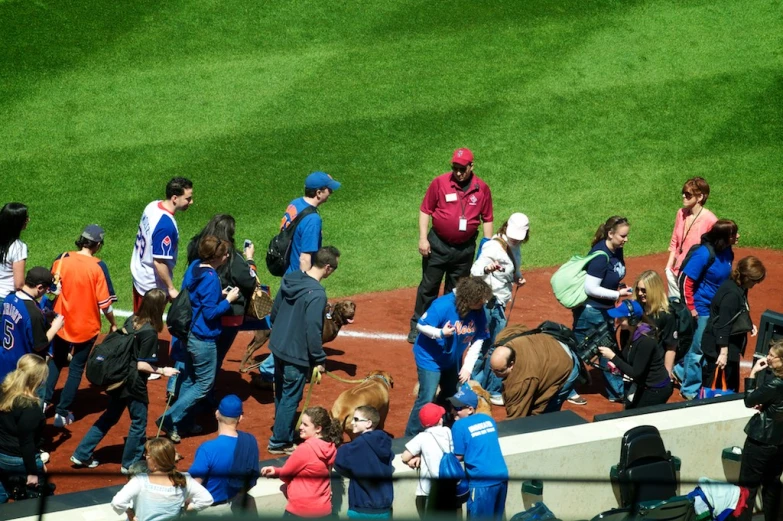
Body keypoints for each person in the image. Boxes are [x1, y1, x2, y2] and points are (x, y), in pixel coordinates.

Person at [70, 289, 179, 472]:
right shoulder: (150, 332)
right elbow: (142, 365)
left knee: (109, 416)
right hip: (133, 383)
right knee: (138, 422)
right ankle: (130, 465)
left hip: (118, 378)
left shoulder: (133, 319)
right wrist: (163, 370)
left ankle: (82, 453)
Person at [256, 172, 341, 386]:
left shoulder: (295, 204)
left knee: (286, 323)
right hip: (299, 279)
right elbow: (305, 257)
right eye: (328, 189)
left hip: (288, 277)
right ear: (319, 192)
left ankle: (269, 369)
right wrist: (310, 286)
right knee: (296, 326)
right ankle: (268, 370)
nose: (331, 193)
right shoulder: (312, 219)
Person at [156, 236, 241, 443]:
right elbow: (211, 313)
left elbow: (199, 299)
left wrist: (216, 295)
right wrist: (228, 300)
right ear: (215, 257)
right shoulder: (211, 277)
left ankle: (183, 424)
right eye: (224, 254)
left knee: (190, 378)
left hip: (190, 332)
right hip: (203, 337)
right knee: (204, 384)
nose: (227, 256)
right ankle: (170, 418)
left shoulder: (195, 266)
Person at [408, 148, 494, 344]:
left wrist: (487, 249)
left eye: (462, 168)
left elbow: (487, 219)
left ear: (472, 167)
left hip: (464, 250)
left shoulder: (482, 189)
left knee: (455, 290)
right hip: (437, 245)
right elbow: (425, 210)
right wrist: (423, 238)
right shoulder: (440, 183)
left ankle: (447, 326)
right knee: (428, 287)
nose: (458, 172)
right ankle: (418, 326)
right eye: (455, 168)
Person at [44, 224, 118, 428]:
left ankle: (43, 402)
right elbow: (105, 304)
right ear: (98, 244)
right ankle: (61, 413)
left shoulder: (62, 258)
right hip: (86, 327)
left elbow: (52, 289)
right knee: (76, 368)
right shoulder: (98, 266)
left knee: (57, 361)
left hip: (60, 323)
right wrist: (113, 323)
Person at [266, 246, 339, 455]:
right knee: (291, 396)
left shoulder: (292, 277)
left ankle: (284, 432)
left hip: (278, 347)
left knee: (281, 391)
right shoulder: (317, 294)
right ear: (327, 268)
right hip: (296, 354)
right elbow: (313, 330)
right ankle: (279, 441)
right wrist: (319, 359)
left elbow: (275, 310)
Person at [404, 276, 491, 437]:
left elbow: (479, 338)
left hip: (452, 358)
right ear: (468, 299)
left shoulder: (478, 311)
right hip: (430, 358)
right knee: (427, 396)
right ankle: (411, 435)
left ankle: (444, 422)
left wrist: (467, 367)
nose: (483, 303)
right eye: (480, 301)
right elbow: (421, 326)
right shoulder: (443, 305)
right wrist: (440, 333)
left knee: (453, 392)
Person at [569, 216, 633, 405]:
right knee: (580, 353)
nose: (626, 239)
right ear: (610, 233)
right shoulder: (599, 256)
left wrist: (617, 286)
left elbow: (611, 276)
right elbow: (591, 288)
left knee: (606, 350)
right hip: (590, 314)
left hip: (604, 312)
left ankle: (615, 391)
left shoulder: (617, 250)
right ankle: (565, 389)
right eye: (623, 235)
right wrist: (617, 294)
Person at [185, 214, 258, 380]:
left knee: (189, 357)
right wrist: (250, 259)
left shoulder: (197, 246)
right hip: (227, 314)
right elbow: (249, 280)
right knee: (213, 360)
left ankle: (176, 388)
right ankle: (203, 394)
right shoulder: (231, 256)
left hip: (196, 310)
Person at [673, 219, 738, 400]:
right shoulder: (704, 254)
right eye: (734, 234)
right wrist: (692, 308)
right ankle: (690, 389)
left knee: (702, 345)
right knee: (699, 349)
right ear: (724, 237)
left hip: (715, 308)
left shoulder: (727, 251)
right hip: (702, 308)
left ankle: (679, 371)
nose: (738, 236)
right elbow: (685, 280)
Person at [470, 213, 529, 405]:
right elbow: (475, 271)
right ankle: (481, 386)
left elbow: (512, 267)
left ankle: (483, 386)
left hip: (499, 303)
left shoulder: (515, 246)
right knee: (487, 345)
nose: (515, 239)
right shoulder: (493, 246)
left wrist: (517, 276)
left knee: (492, 345)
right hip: (489, 303)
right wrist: (487, 269)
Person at [260, 406, 341, 519]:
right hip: (324, 511)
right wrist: (276, 471)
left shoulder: (305, 449)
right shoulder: (331, 447)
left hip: (300, 511)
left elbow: (285, 475)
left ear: (318, 428)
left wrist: (280, 473)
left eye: (305, 425)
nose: (300, 427)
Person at [701, 256, 766, 393]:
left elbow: (740, 308)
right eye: (754, 280)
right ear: (746, 277)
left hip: (730, 345)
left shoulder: (738, 285)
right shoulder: (731, 295)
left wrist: (748, 323)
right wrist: (723, 354)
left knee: (730, 386)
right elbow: (723, 325)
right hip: (720, 349)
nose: (755, 284)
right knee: (719, 389)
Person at [189, 394, 260, 515]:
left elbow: (194, 487)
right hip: (238, 506)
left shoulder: (207, 449)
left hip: (212, 510)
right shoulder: (250, 441)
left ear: (217, 414)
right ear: (240, 418)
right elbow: (252, 476)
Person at [111, 437, 213, 521]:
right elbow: (207, 499)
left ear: (154, 460)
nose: (145, 456)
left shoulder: (139, 481)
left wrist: (130, 513)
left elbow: (117, 503)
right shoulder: (185, 479)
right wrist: (189, 508)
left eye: (147, 454)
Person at [488, 325, 582, 417]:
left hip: (566, 365)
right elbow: (520, 327)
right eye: (492, 369)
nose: (494, 374)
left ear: (511, 365)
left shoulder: (521, 381)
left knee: (543, 414)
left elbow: (516, 418)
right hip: (550, 348)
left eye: (499, 371)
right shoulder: (505, 339)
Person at [130, 177, 194, 311]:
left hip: (139, 276)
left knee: (137, 323)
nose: (191, 202)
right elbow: (159, 262)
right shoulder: (165, 226)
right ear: (175, 198)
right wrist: (170, 288)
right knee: (146, 328)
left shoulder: (152, 205)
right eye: (188, 198)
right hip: (152, 288)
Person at [736, 341, 783, 521]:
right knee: (772, 486)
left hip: (760, 443)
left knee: (748, 488)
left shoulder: (775, 385)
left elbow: (748, 400)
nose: (768, 358)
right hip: (780, 444)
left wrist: (754, 372)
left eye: (772, 356)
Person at [598, 300, 673, 409]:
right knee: (629, 411)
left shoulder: (646, 341)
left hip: (656, 389)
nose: (617, 321)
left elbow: (635, 372)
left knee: (639, 417)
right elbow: (627, 358)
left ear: (632, 320)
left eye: (621, 318)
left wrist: (612, 357)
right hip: (642, 385)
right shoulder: (628, 333)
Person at [448, 387, 508, 521]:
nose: (453, 411)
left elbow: (457, 456)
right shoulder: (489, 420)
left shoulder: (459, 426)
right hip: (502, 477)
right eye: (452, 407)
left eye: (457, 408)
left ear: (470, 409)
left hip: (481, 483)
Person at [0, 267, 64, 382]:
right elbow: (39, 345)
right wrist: (55, 327)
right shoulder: (33, 314)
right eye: (46, 289)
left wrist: (43, 316)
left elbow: (20, 321)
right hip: (22, 369)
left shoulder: (9, 297)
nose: (46, 292)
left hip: (4, 359)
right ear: (39, 287)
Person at [0, 354, 49, 504]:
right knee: (36, 498)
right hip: (17, 459)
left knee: (1, 492)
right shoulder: (31, 409)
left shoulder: (3, 391)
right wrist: (33, 473)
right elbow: (27, 444)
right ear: (37, 380)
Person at [334, 405, 394, 519]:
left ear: (368, 423)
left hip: (362, 508)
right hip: (384, 508)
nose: (352, 422)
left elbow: (338, 460)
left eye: (356, 419)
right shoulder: (384, 441)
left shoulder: (358, 444)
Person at [401, 403, 460, 519]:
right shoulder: (447, 431)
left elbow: (404, 457)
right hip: (449, 487)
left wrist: (417, 456)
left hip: (429, 491)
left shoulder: (422, 437)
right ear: (439, 421)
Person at [665, 178, 717, 298]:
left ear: (700, 197)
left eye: (688, 194)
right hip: (675, 271)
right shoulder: (681, 213)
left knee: (689, 312)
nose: (684, 196)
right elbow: (674, 241)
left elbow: (712, 253)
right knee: (675, 309)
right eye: (683, 193)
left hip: (693, 275)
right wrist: (668, 267)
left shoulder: (711, 221)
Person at [633, 271, 679, 378]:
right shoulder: (637, 309)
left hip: (654, 368)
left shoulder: (666, 315)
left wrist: (666, 374)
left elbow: (671, 347)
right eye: (638, 289)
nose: (639, 293)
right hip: (636, 364)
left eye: (644, 290)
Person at [0, 203, 29, 300]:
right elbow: (19, 284)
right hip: (5, 298)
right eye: (25, 218)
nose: (28, 220)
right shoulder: (18, 247)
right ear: (17, 223)